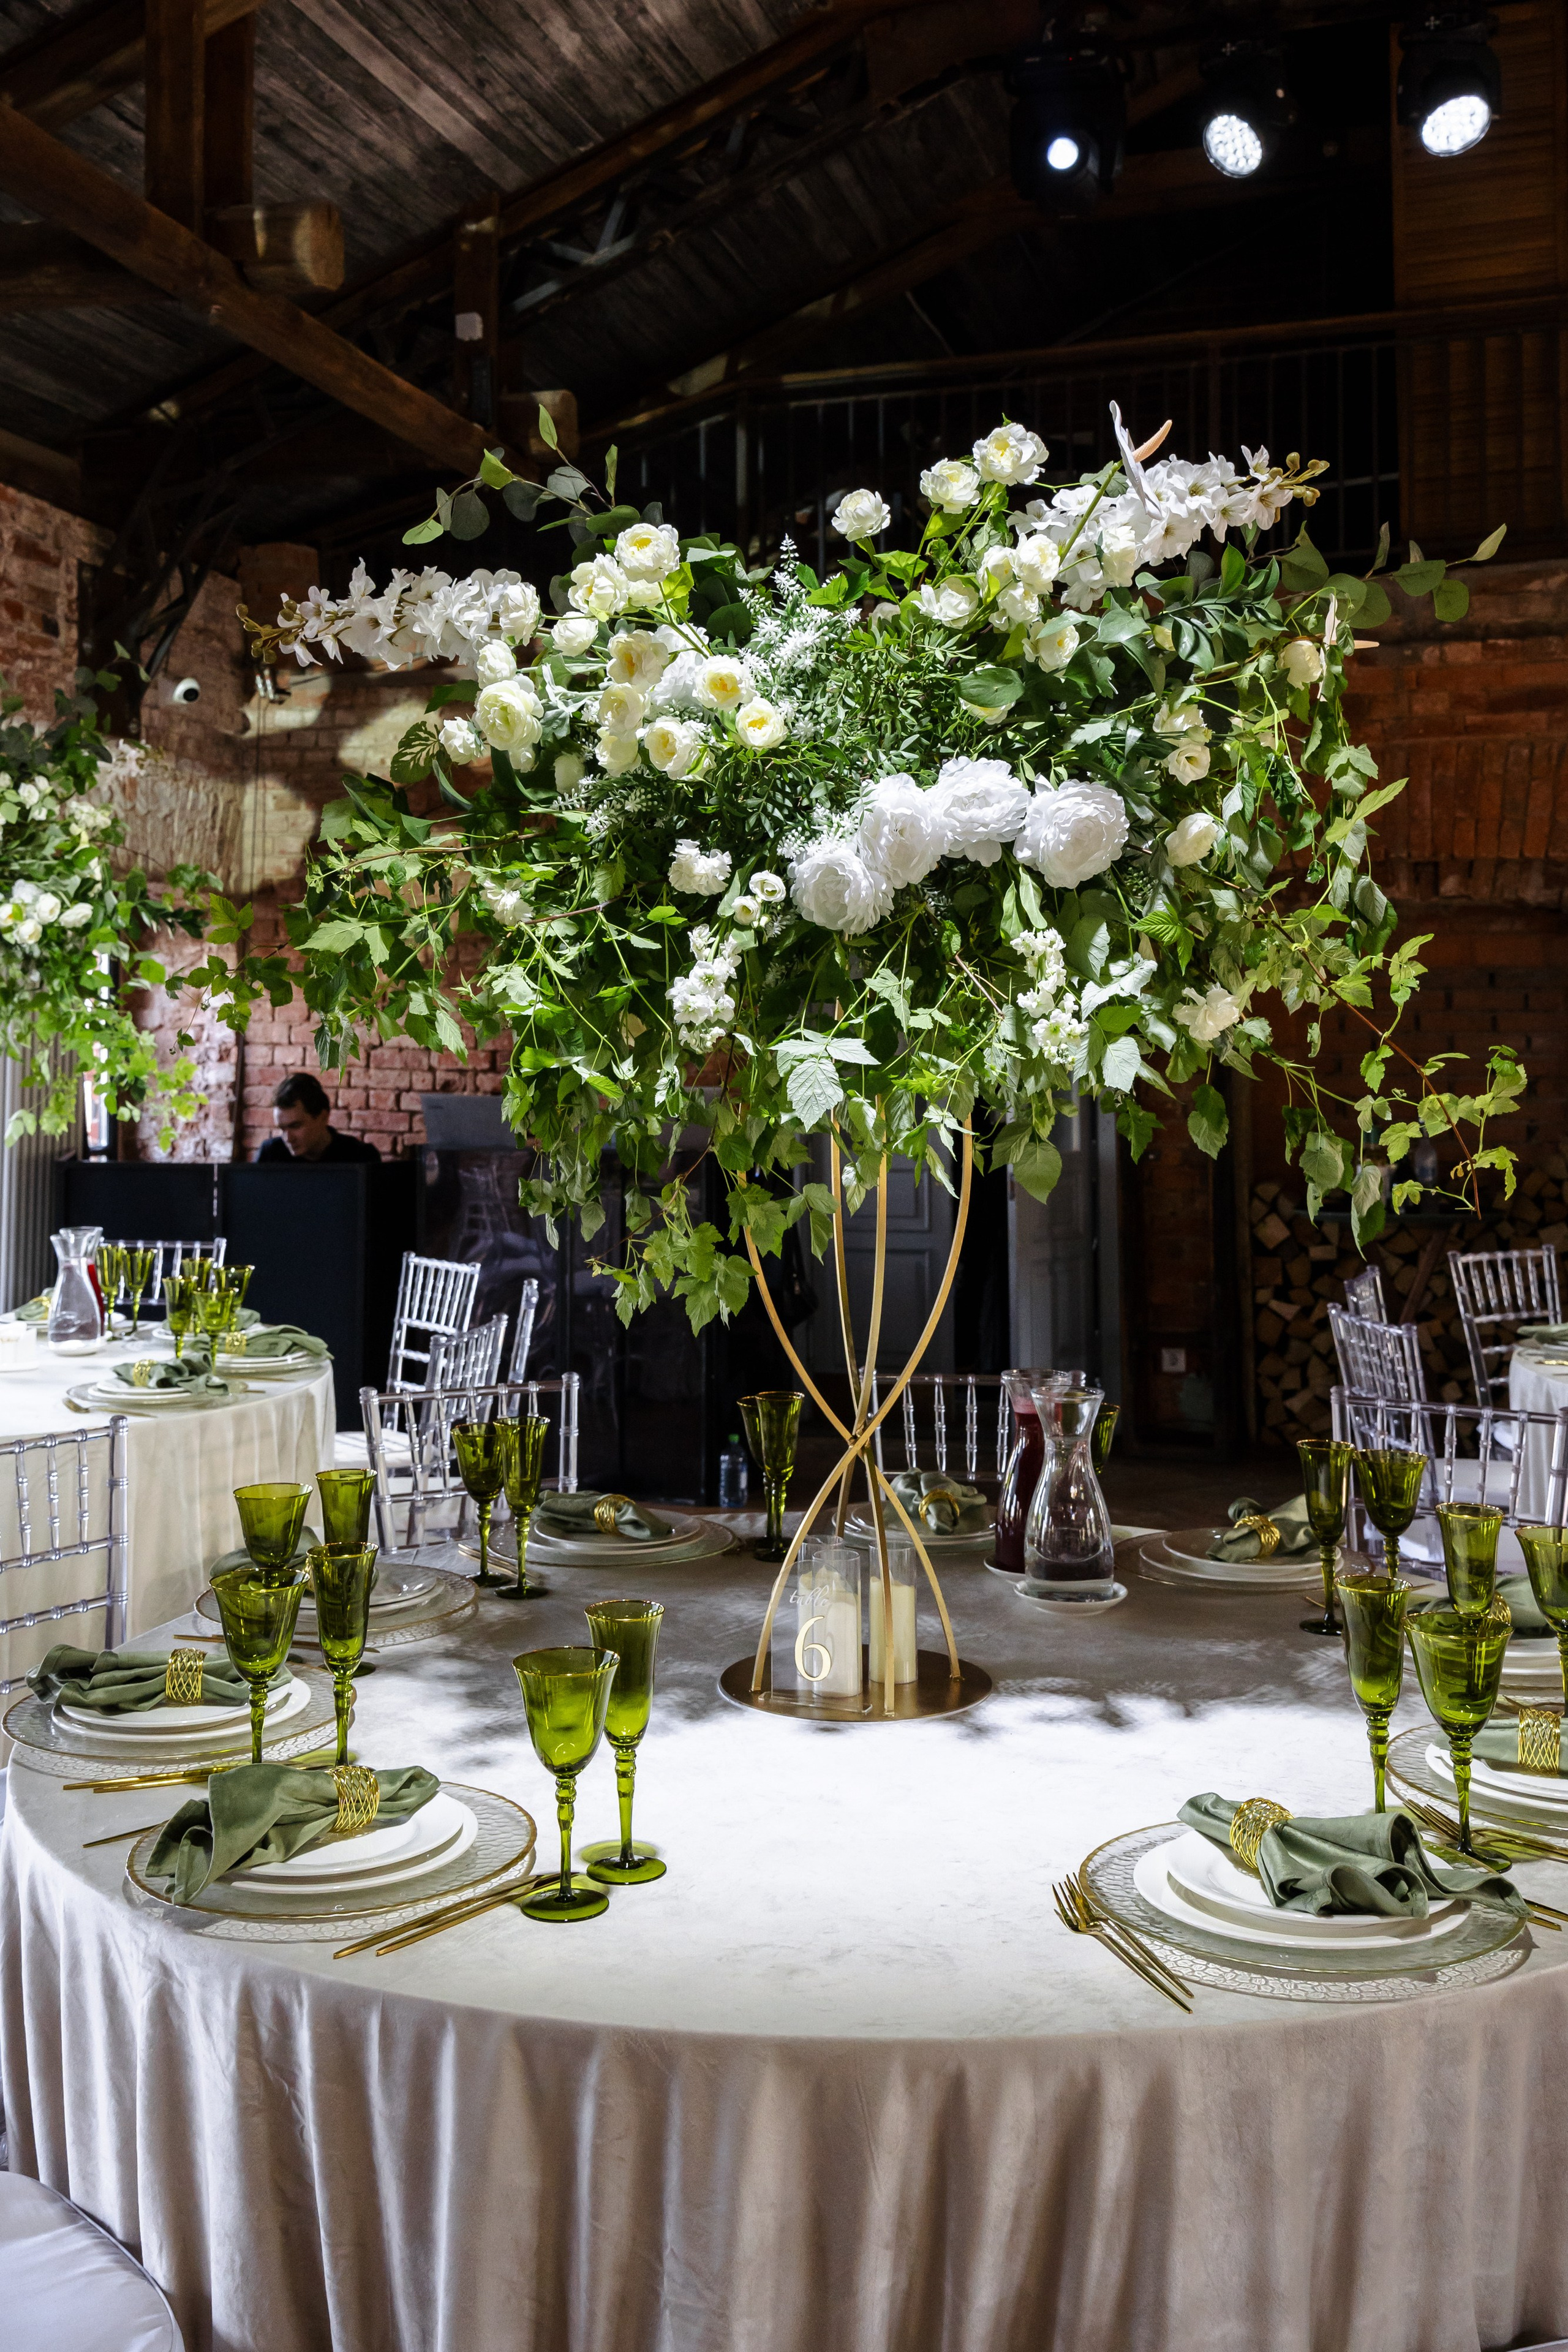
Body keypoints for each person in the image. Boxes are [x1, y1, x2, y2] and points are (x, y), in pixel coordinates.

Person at [255, 1073, 381, 1163]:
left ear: (323, 1118)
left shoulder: (360, 1156)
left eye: (296, 1126)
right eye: (282, 1129)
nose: (288, 1138)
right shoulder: (271, 1155)